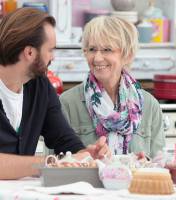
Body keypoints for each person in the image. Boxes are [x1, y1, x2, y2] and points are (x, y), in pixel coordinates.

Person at [0, 8, 110, 180]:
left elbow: (63, 139)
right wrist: (51, 163)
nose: (54, 57)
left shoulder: (40, 86)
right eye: (50, 50)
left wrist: (85, 154)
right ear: (30, 52)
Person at [60, 16, 165, 158]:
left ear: (127, 55)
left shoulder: (149, 105)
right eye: (92, 49)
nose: (97, 58)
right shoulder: (67, 103)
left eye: (107, 49)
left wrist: (145, 164)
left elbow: (160, 164)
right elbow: (53, 164)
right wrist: (85, 159)